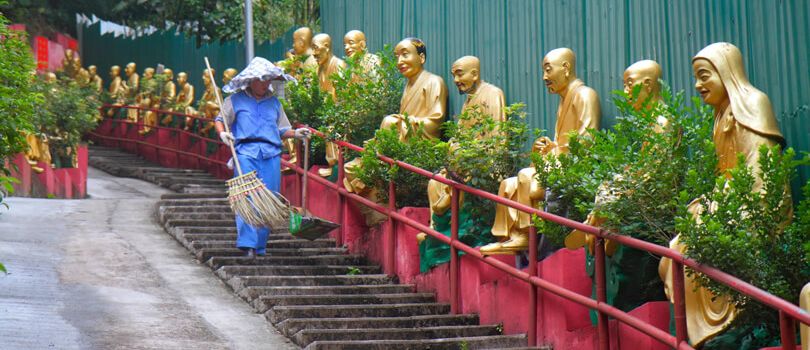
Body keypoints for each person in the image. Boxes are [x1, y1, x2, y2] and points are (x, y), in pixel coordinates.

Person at [214, 57, 312, 258]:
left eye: (268, 79)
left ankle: (260, 246)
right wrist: (223, 133)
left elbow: (282, 129)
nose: (266, 83)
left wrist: (296, 133)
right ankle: (247, 244)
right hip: (245, 152)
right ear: (251, 80)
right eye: (262, 79)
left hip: (271, 154)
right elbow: (220, 120)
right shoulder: (234, 100)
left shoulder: (274, 103)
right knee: (246, 196)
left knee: (270, 198)